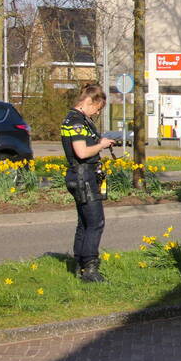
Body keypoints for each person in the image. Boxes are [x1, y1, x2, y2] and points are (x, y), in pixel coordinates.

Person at [60, 84, 116, 283]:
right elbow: (81, 152)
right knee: (95, 222)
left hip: (80, 175)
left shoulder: (78, 119)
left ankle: (79, 265)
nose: (98, 112)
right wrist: (101, 145)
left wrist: (100, 141)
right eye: (98, 107)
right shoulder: (76, 121)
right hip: (83, 176)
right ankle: (90, 269)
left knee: (84, 223)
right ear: (89, 101)